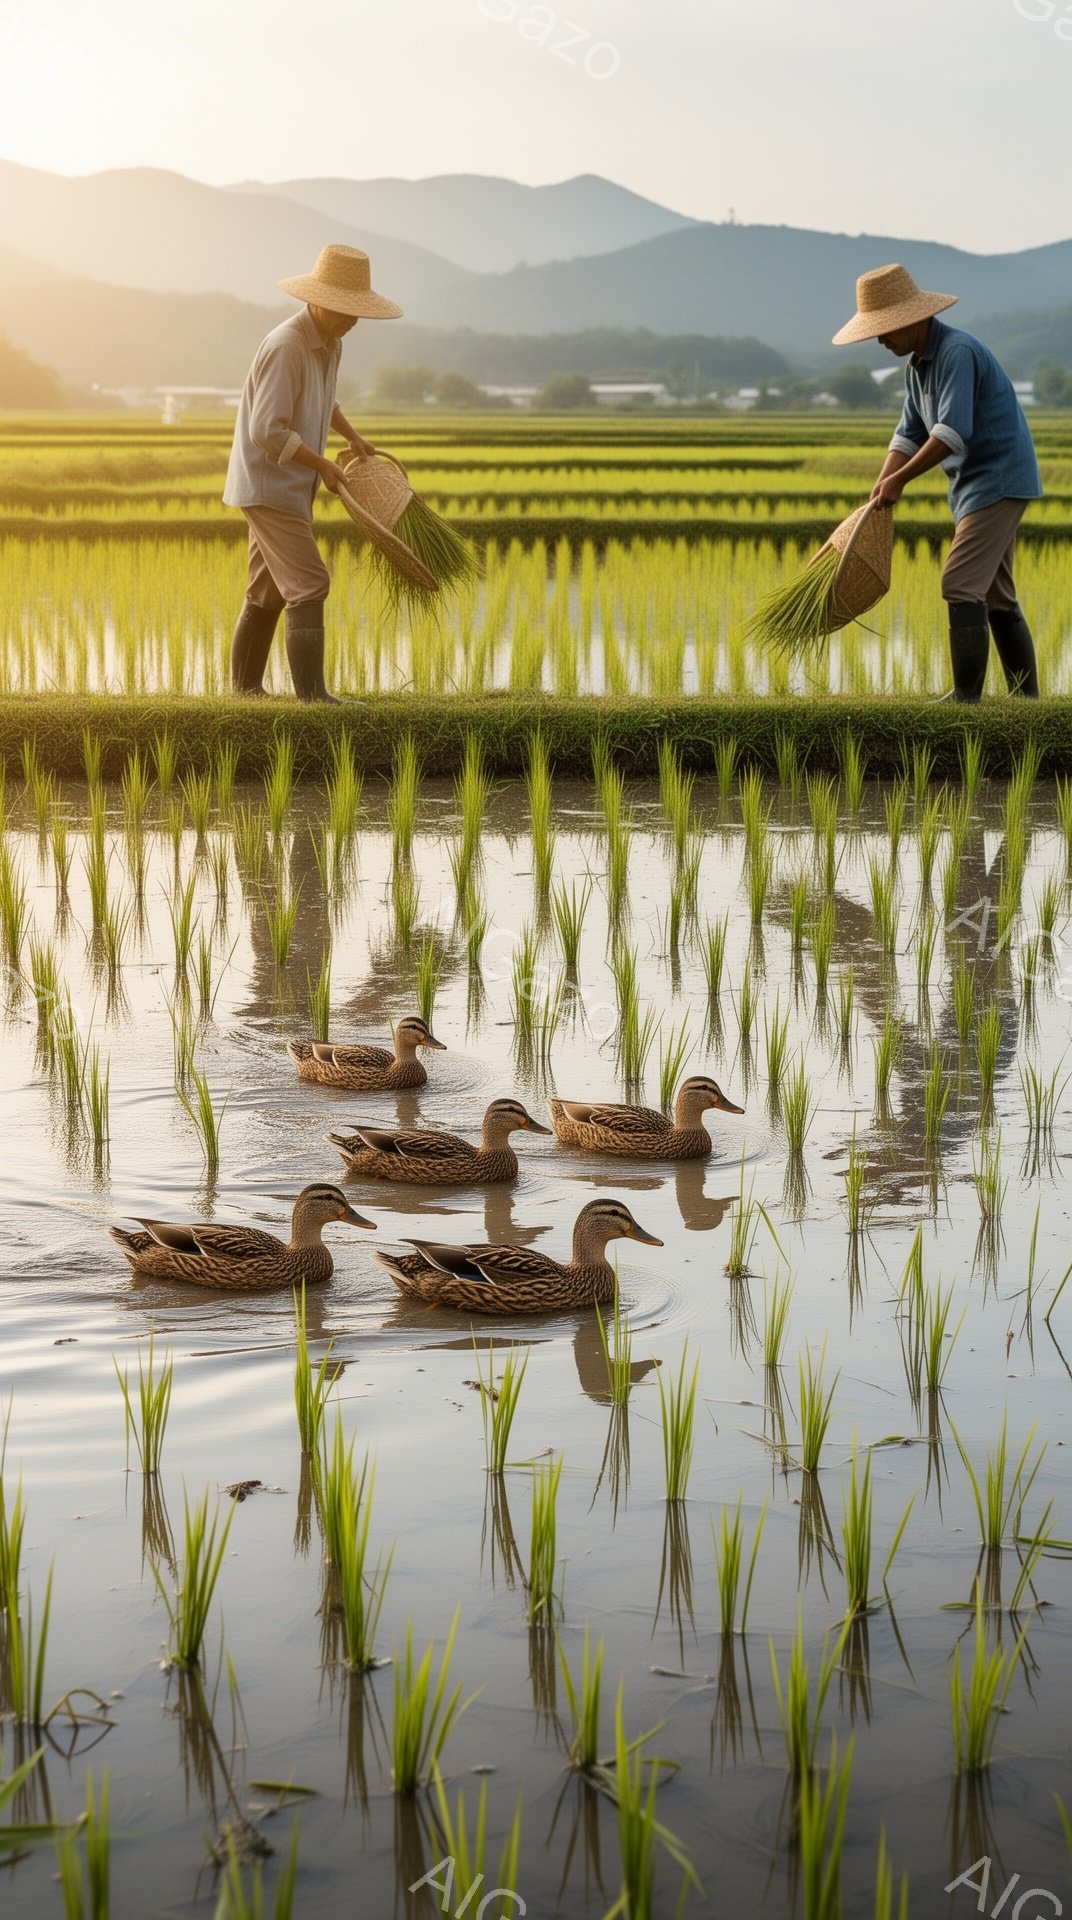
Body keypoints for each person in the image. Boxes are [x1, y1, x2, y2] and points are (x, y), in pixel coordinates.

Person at [833, 264, 1043, 703]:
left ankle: (966, 698)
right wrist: (885, 481)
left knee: (960, 582)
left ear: (912, 320)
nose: (880, 339)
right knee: (997, 593)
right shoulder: (917, 367)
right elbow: (908, 433)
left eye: (885, 329)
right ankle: (1027, 701)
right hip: (974, 485)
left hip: (999, 479)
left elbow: (951, 431)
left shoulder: (956, 352)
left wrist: (901, 481)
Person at [223, 244, 402, 702]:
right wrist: (322, 464)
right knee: (309, 584)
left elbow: (327, 399)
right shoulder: (287, 346)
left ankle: (243, 691)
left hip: (288, 486)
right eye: (345, 310)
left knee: (267, 591)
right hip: (269, 485)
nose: (352, 321)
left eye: (357, 312)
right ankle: (313, 698)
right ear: (317, 300)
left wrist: (352, 437)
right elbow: (267, 429)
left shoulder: (329, 343)